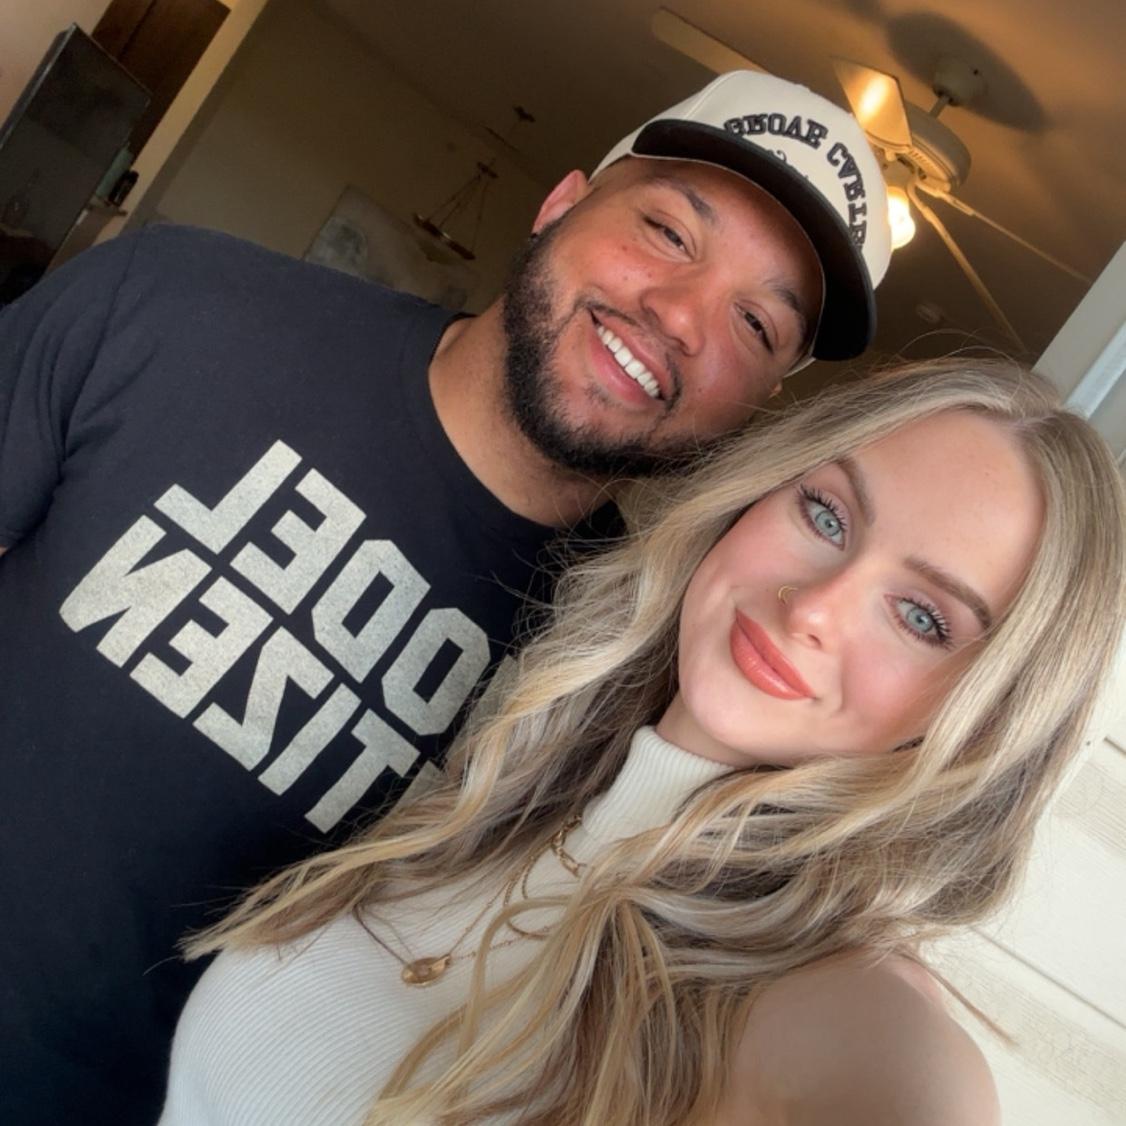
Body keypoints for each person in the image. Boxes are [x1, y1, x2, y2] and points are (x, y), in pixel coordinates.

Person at [0, 71, 889, 1123]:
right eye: (666, 231)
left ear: (759, 406)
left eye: (754, 323)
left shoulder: (627, 671)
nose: (681, 316)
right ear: (561, 203)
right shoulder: (173, 301)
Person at [160, 358, 1125, 1125]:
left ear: (982, 722)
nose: (815, 608)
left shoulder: (844, 1014)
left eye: (921, 617)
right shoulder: (507, 789)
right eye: (827, 513)